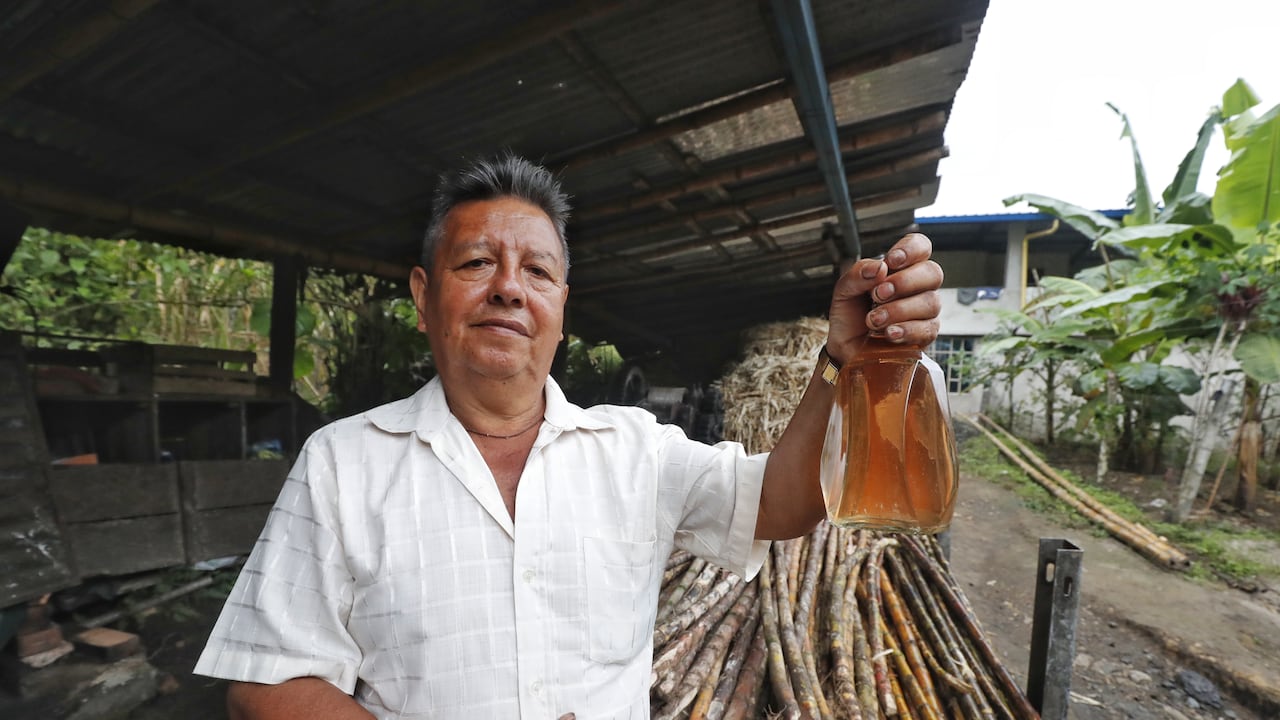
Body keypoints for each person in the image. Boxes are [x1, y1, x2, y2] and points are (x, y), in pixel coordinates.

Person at [195, 153, 943, 719]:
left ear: (560, 306)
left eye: (537, 272)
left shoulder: (635, 450)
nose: (509, 287)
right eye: (477, 262)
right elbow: (269, 678)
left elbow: (781, 504)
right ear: (424, 297)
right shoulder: (344, 462)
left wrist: (842, 362)